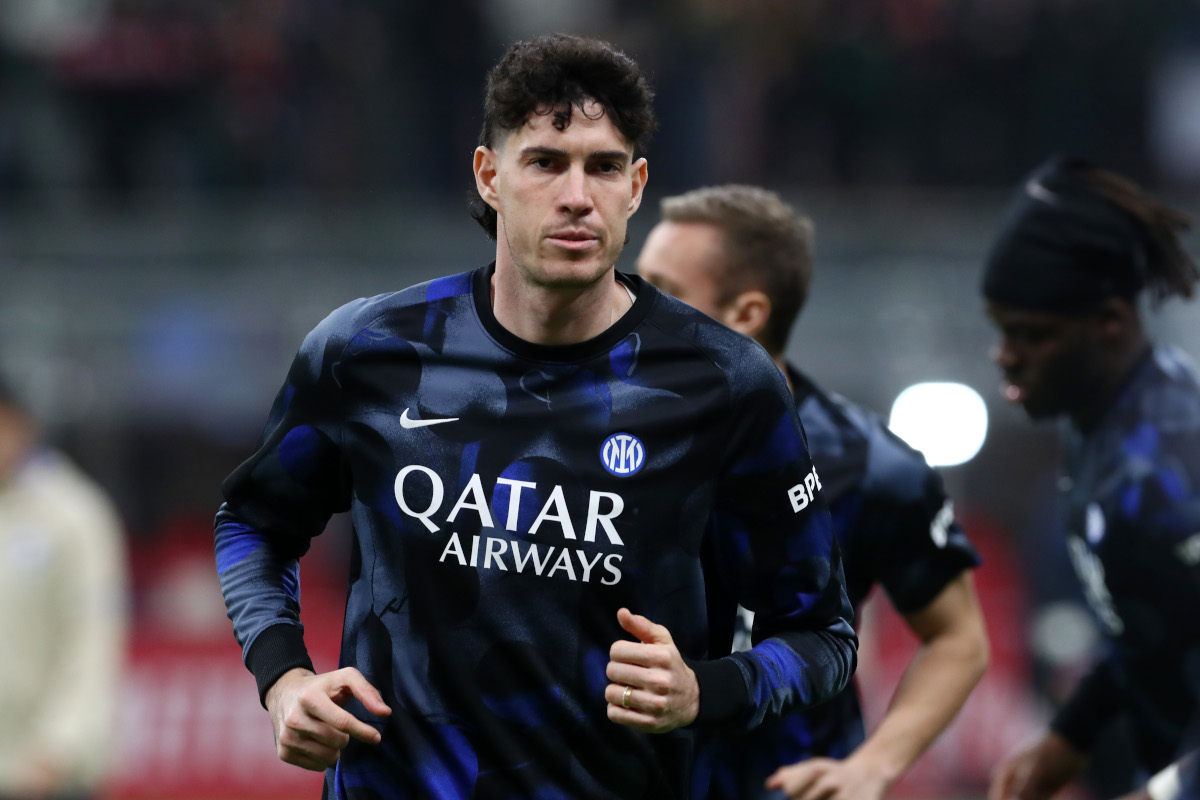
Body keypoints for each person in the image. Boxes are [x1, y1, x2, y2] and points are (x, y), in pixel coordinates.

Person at [213, 33, 857, 799]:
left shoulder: (726, 383)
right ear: (490, 176)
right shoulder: (371, 351)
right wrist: (284, 677)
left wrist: (705, 691)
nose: (577, 195)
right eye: (546, 162)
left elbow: (823, 637)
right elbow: (252, 523)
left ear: (637, 186)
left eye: (604, 166)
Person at [634, 184, 989, 799]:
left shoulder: (871, 464)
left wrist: (873, 766)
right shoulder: (593, 430)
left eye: (666, 291)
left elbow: (959, 639)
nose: (634, 308)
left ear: (746, 314)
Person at [982, 154, 1200, 800]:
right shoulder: (1096, 426)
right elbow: (1156, 631)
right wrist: (1070, 737)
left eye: (1033, 335)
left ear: (1109, 323)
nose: (1006, 356)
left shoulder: (1173, 475)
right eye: (1001, 331)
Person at [0, 374, 129, 800]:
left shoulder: (73, 514)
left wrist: (60, 746)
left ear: (21, 425)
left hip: (45, 772)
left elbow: (93, 638)